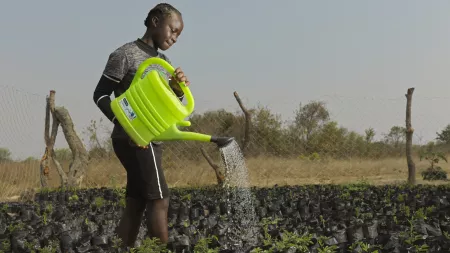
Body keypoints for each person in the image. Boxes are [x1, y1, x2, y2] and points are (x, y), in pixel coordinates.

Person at [92, 3, 189, 247]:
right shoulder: (125, 54)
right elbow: (101, 94)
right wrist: (125, 125)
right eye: (173, 30)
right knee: (159, 199)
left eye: (179, 34)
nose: (175, 38)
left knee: (136, 202)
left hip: (148, 138)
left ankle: (120, 248)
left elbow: (167, 103)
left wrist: (177, 90)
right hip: (134, 139)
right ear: (155, 22)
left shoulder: (162, 61)